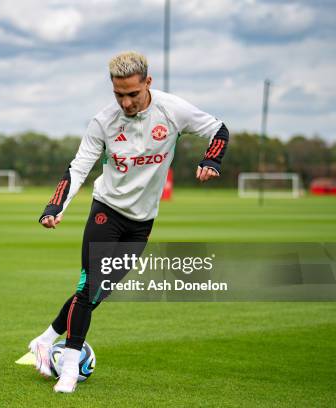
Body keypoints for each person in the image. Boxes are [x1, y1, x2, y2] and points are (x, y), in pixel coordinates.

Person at [28, 51, 230, 393]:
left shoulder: (172, 109)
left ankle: (46, 340)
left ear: (148, 83)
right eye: (119, 94)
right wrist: (54, 206)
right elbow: (78, 167)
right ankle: (70, 366)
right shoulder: (103, 122)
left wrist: (212, 159)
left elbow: (218, 130)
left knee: (96, 293)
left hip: (142, 223)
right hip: (106, 212)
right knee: (89, 284)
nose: (126, 102)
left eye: (133, 94)